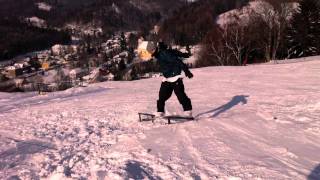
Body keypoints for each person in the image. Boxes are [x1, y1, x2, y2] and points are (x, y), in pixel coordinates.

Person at [152, 42, 194, 117]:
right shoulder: (159, 55)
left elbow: (178, 62)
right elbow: (175, 52)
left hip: (175, 77)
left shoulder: (165, 54)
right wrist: (183, 54)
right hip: (167, 79)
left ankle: (188, 111)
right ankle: (160, 111)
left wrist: (187, 71)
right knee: (162, 96)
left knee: (180, 95)